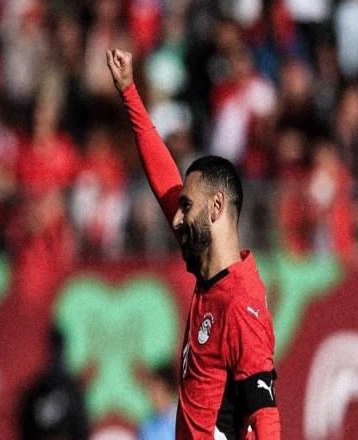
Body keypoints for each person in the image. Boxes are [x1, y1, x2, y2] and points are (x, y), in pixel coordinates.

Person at [107, 49, 280, 439]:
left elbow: (265, 417)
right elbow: (164, 179)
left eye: (186, 207)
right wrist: (129, 92)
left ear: (216, 207)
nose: (176, 217)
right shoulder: (210, 272)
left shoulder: (240, 303)